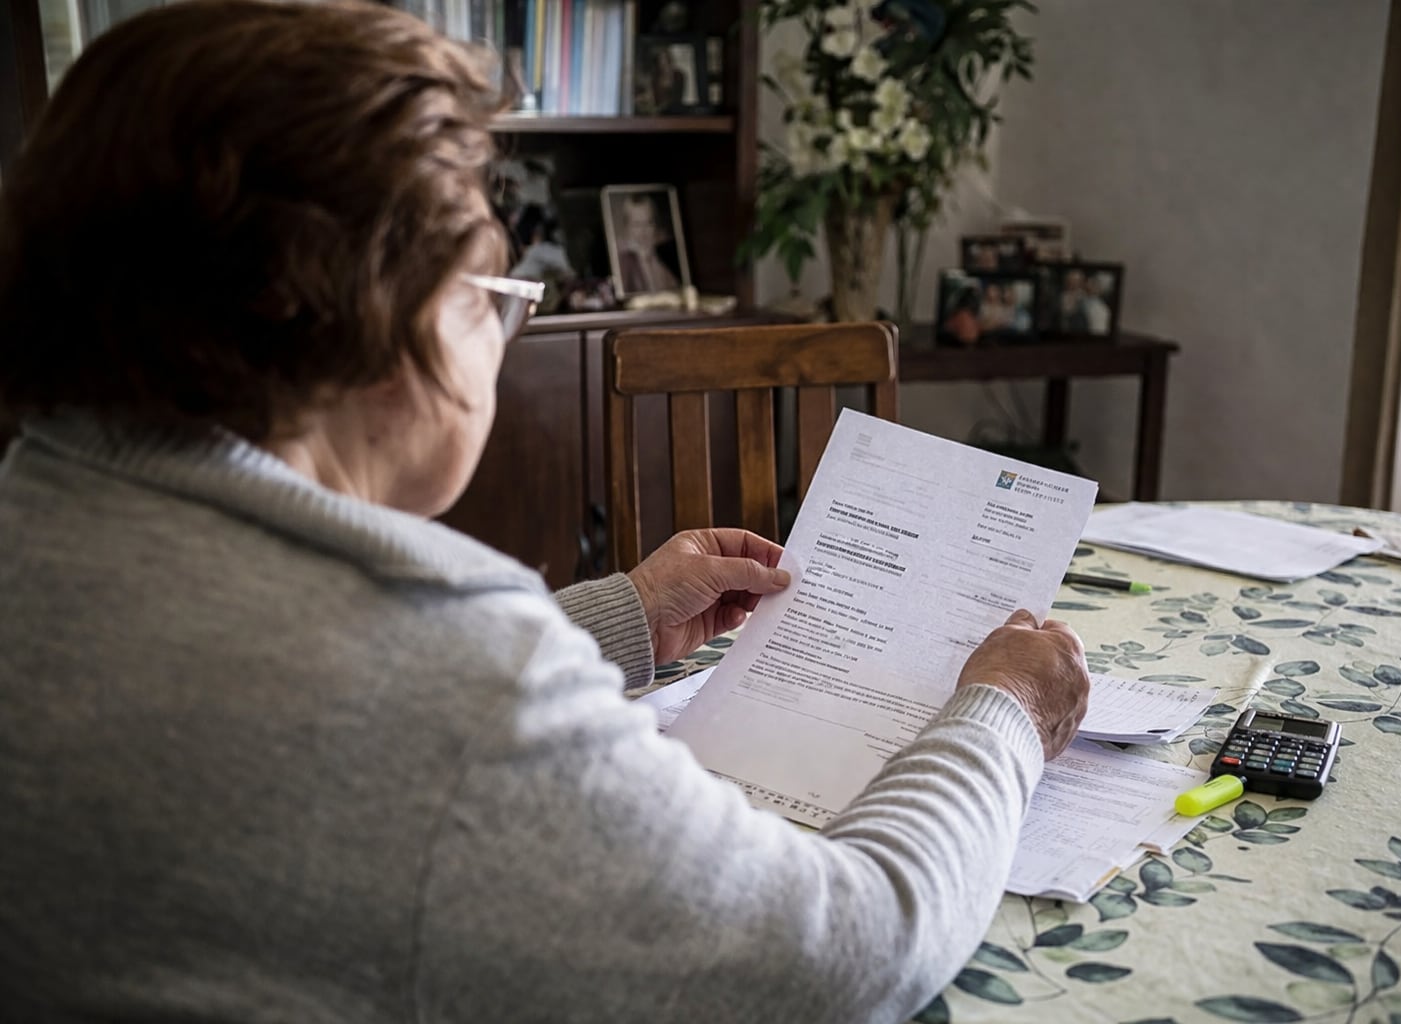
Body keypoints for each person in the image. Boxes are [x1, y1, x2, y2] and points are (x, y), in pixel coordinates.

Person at [0, 3, 1092, 1022]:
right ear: (372, 319)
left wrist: (617, 616)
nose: (497, 339)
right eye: (489, 297)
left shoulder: (45, 511)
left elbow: (276, 686)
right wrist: (1003, 715)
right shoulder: (445, 664)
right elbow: (849, 955)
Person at [612, 191, 682, 294]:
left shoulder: (665, 251)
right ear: (626, 227)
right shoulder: (622, 259)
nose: (643, 231)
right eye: (637, 224)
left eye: (649, 223)